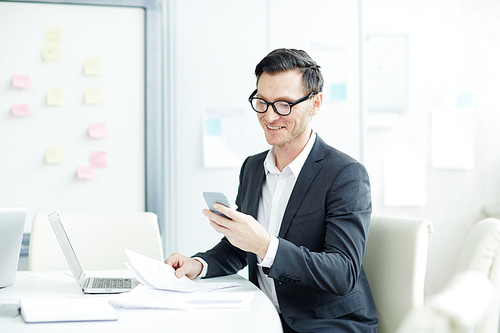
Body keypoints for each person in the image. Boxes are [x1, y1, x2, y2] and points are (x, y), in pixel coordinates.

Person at [165, 48, 379, 332]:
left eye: (283, 105)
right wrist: (198, 265)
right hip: (266, 316)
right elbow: (240, 248)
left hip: (328, 323)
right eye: (262, 102)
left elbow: (342, 272)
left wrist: (265, 245)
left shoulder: (345, 174)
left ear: (315, 104)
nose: (269, 115)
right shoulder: (253, 168)